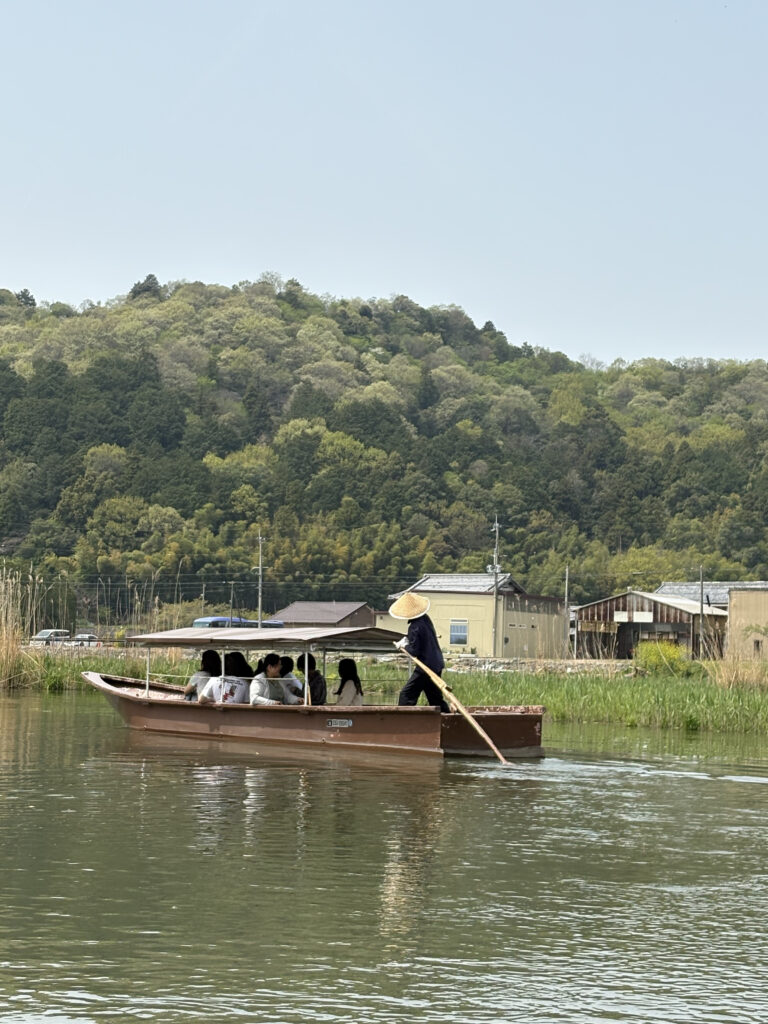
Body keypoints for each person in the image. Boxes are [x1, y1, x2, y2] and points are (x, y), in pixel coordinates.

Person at [389, 592, 450, 713]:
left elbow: (414, 651)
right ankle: (446, 717)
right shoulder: (425, 619)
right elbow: (420, 641)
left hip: (425, 667)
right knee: (435, 697)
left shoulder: (414, 626)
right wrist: (408, 640)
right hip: (436, 664)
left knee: (406, 695)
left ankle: (404, 720)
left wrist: (404, 645)